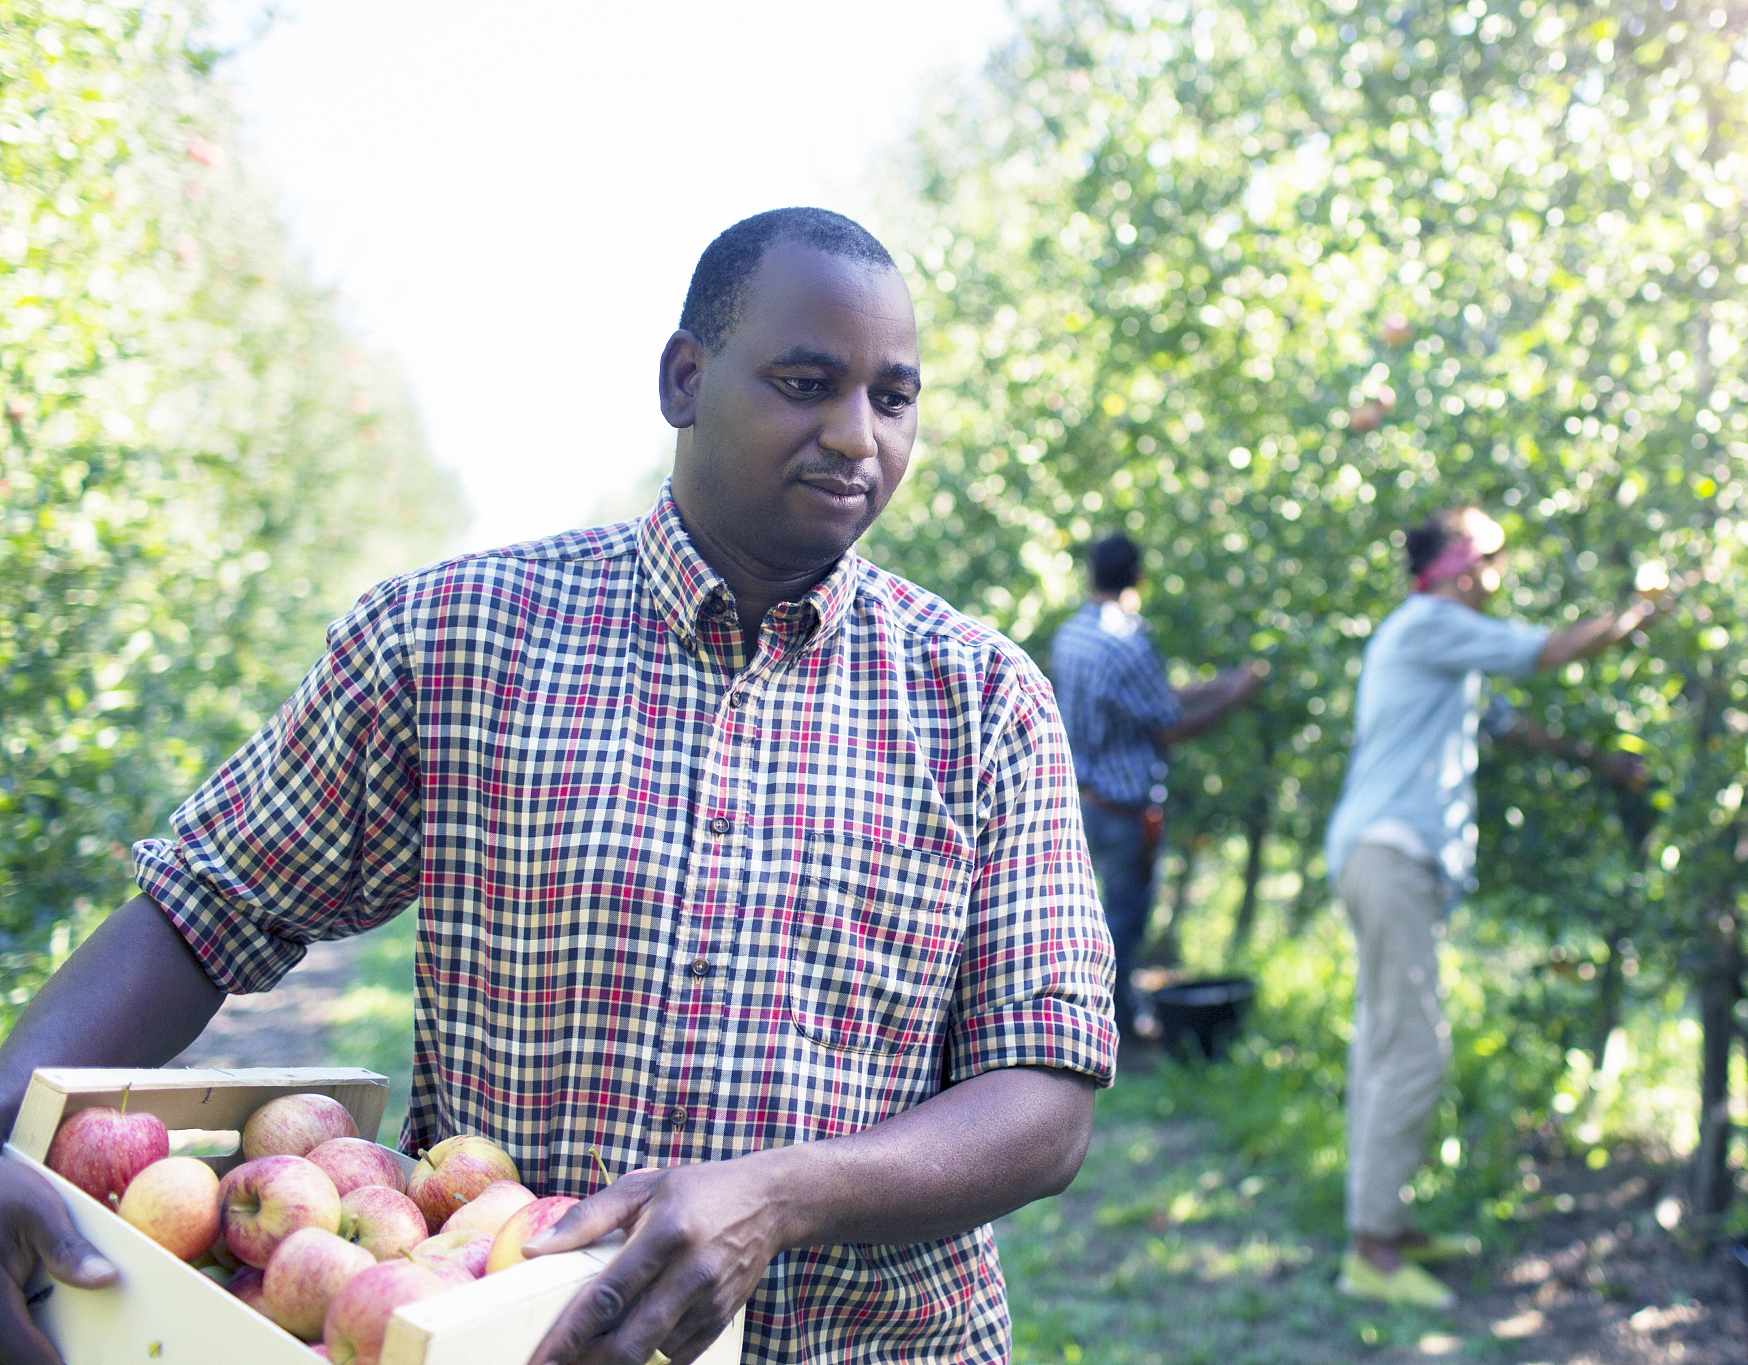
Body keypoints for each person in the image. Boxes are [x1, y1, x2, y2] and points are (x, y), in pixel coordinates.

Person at [0, 208, 1117, 1365]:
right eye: (804, 383)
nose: (854, 437)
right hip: (509, 1341)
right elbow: (205, 911)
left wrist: (782, 1195)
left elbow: (1043, 1098)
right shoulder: (454, 640)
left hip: (871, 1345)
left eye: (891, 399)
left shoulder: (983, 703)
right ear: (684, 379)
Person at [1323, 505, 1668, 1309]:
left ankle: (1381, 1224)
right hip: (1391, 852)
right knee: (1414, 1051)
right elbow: (1549, 650)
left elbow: (1511, 726)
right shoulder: (1428, 624)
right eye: (1489, 554)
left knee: (1385, 1041)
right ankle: (1372, 1248)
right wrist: (1642, 611)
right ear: (1451, 563)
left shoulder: (1444, 650)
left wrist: (1600, 763)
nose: (1499, 569)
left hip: (1383, 854)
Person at [1049, 532, 1265, 1045]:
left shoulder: (1073, 635)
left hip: (1081, 801)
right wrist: (1234, 700)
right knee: (1122, 926)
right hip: (1126, 811)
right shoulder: (1129, 640)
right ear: (1140, 578)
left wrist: (1220, 683)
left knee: (1086, 919)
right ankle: (1117, 1030)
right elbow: (1166, 725)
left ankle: (1092, 1021)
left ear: (1091, 575)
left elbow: (1144, 701)